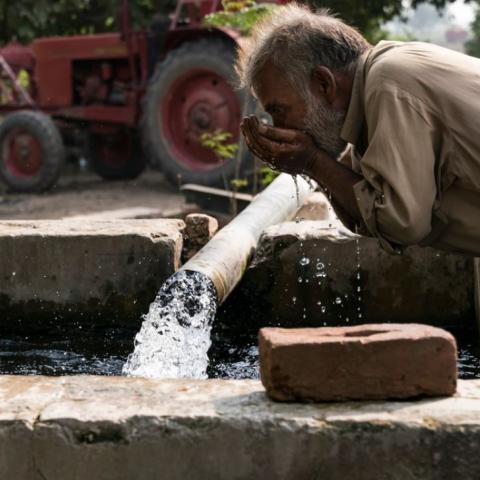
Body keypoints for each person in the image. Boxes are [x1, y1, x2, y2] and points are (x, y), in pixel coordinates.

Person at [237, 2, 480, 257]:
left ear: (323, 84)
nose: (279, 127)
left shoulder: (388, 82)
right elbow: (365, 220)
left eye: (279, 110)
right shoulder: (373, 91)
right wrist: (316, 165)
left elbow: (403, 224)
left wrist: (312, 162)